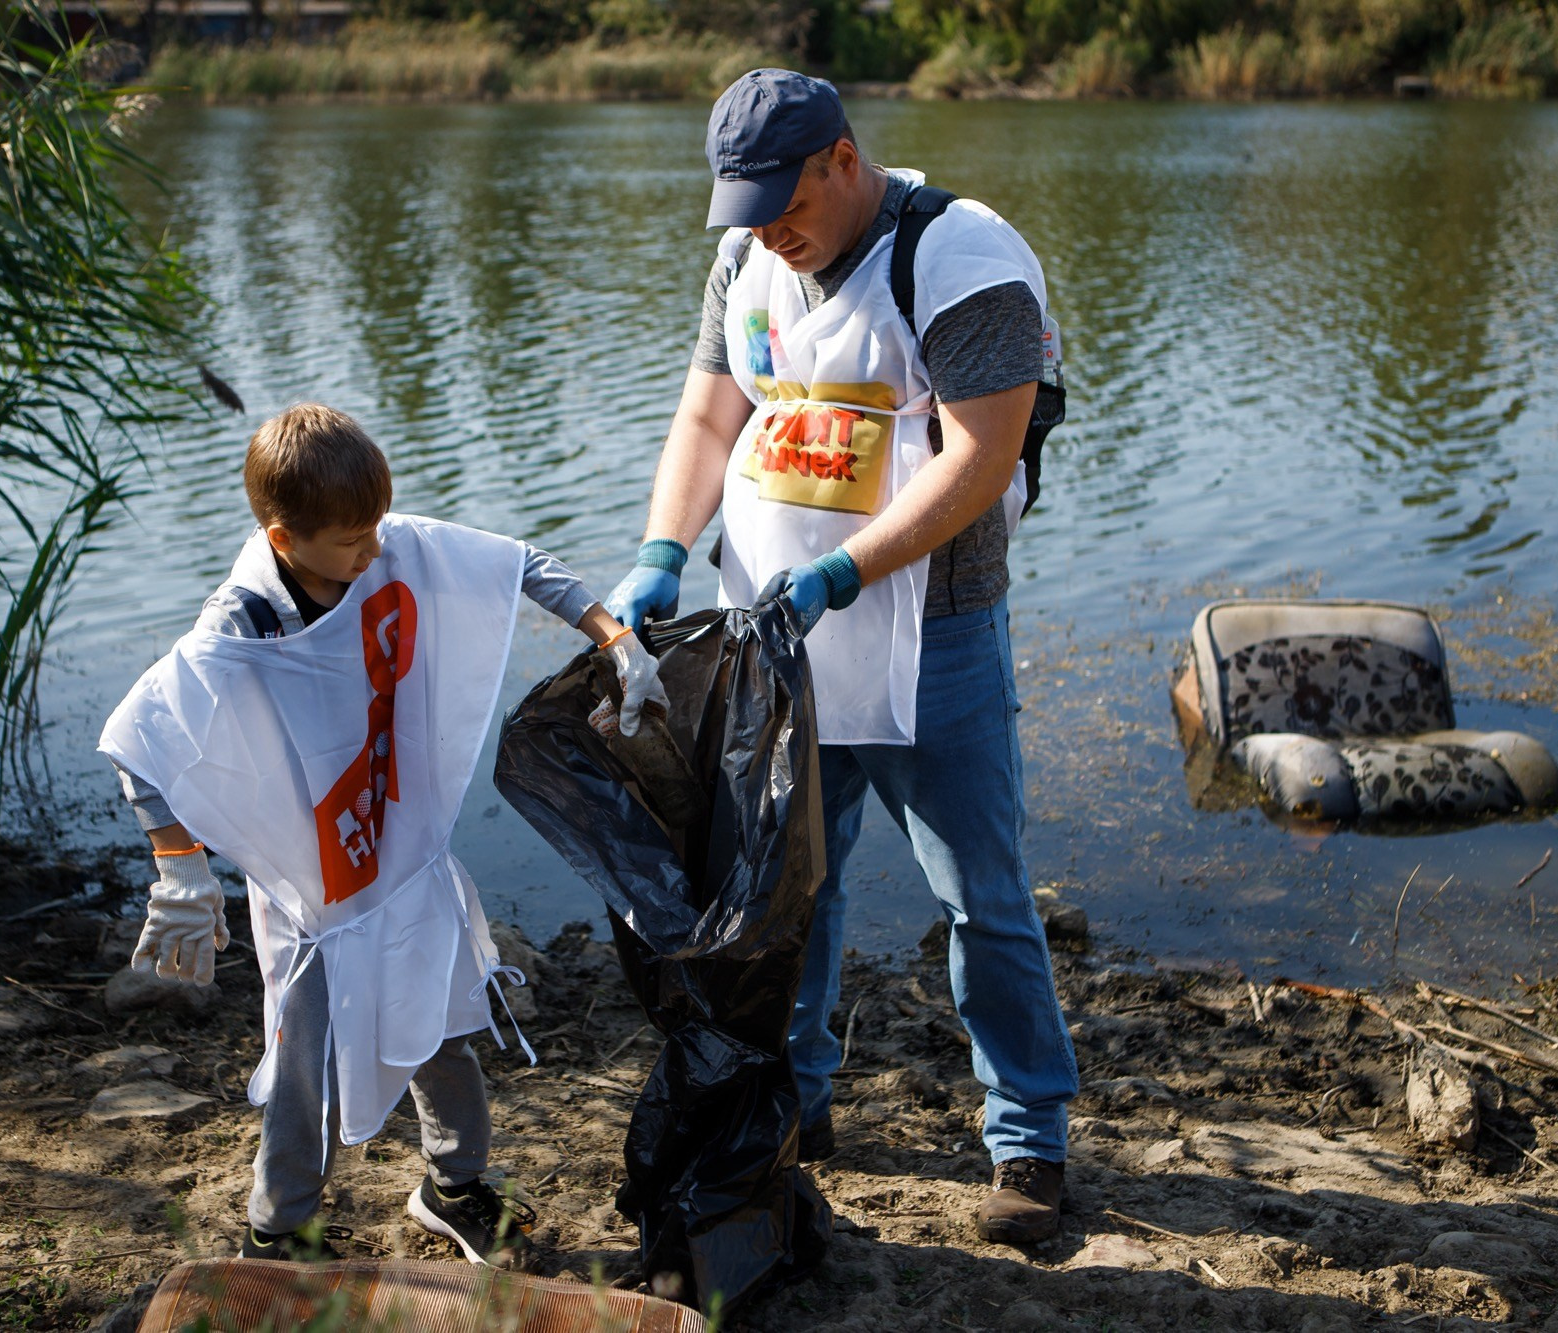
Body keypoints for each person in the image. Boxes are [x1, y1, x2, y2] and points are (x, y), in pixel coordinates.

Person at [605, 69, 1079, 1245]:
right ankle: (796, 1101)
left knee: (981, 896)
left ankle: (1027, 1139)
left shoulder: (962, 256)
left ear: (843, 157)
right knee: (787, 890)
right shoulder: (746, 258)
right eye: (746, 204)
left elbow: (977, 460)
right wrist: (663, 548)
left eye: (784, 197)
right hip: (778, 636)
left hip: (934, 631)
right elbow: (710, 414)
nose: (770, 226)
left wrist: (842, 572)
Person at [102, 403, 666, 1269]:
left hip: (399, 857)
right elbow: (141, 736)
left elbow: (522, 564)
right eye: (350, 542)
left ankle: (454, 1187)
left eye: (376, 530)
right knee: (306, 1067)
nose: (374, 553)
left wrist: (615, 639)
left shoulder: (377, 539)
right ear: (286, 540)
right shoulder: (242, 619)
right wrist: (180, 866)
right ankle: (279, 1228)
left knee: (442, 1029)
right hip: (312, 889)